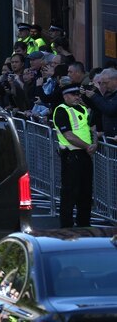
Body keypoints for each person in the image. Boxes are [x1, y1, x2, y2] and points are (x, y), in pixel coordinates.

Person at [53, 84, 98, 228]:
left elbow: (92, 128)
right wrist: (88, 146)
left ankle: (84, 225)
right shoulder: (61, 110)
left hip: (85, 155)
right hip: (72, 155)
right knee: (70, 193)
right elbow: (69, 135)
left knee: (86, 193)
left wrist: (94, 143)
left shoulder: (83, 109)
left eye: (78, 94)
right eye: (74, 95)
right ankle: (66, 227)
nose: (78, 97)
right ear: (66, 96)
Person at [83, 67, 117, 140]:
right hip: (109, 137)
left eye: (106, 83)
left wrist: (94, 96)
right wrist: (85, 97)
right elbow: (99, 109)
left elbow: (109, 109)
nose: (104, 85)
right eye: (102, 83)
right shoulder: (108, 94)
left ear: (115, 80)